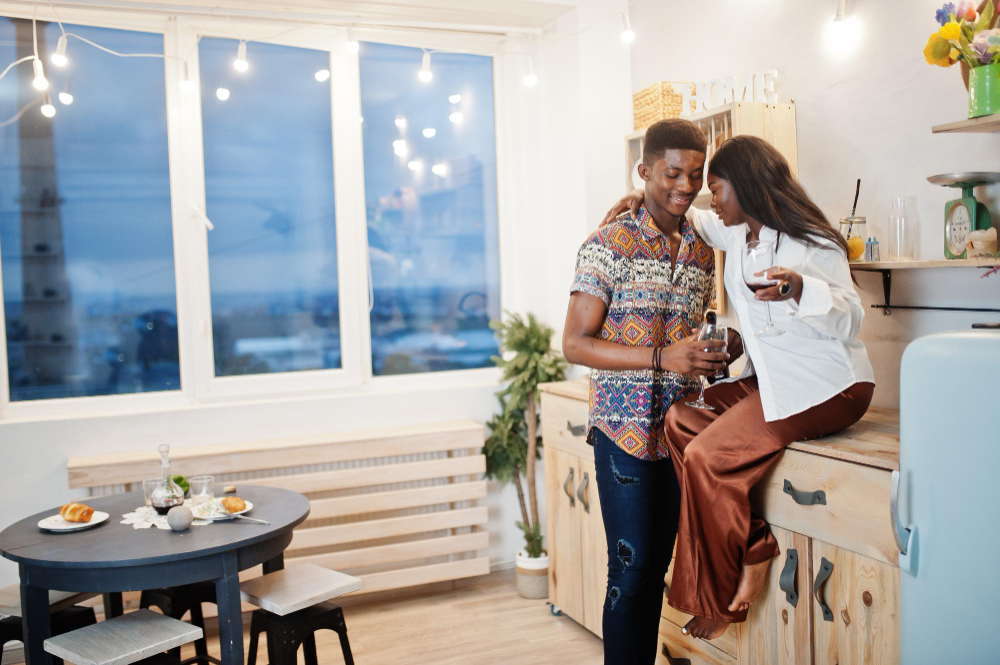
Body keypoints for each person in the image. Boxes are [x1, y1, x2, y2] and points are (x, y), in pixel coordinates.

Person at [602, 135, 875, 640]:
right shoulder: (736, 234)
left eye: (716, 189)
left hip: (828, 387)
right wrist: (643, 197)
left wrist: (799, 288)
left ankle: (719, 600)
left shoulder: (812, 242)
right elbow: (690, 214)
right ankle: (753, 545)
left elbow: (853, 319)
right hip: (770, 381)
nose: (709, 200)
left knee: (707, 457)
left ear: (744, 188)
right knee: (680, 420)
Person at [562, 118, 741, 664]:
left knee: (658, 566)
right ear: (644, 171)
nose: (685, 187)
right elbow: (574, 343)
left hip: (682, 432)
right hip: (624, 434)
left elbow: (695, 333)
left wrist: (716, 351)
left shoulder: (701, 246)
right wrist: (664, 357)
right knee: (633, 568)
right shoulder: (606, 244)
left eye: (694, 175)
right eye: (671, 174)